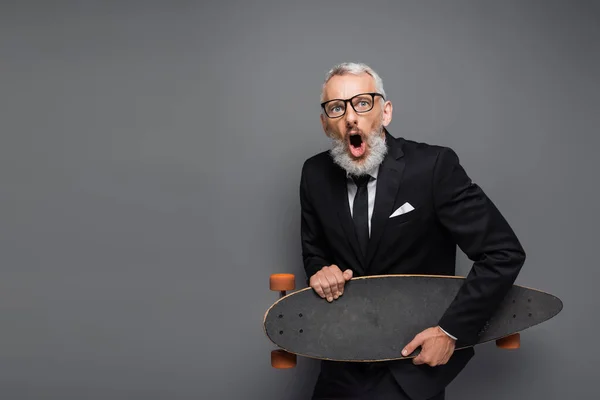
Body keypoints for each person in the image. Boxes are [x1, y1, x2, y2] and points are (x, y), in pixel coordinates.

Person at [299, 62, 526, 400]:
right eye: (336, 108)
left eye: (362, 103)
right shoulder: (315, 174)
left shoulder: (432, 167)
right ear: (325, 123)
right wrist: (321, 271)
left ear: (385, 112)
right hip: (340, 368)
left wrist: (450, 333)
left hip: (411, 370)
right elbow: (314, 251)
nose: (350, 117)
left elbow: (503, 253)